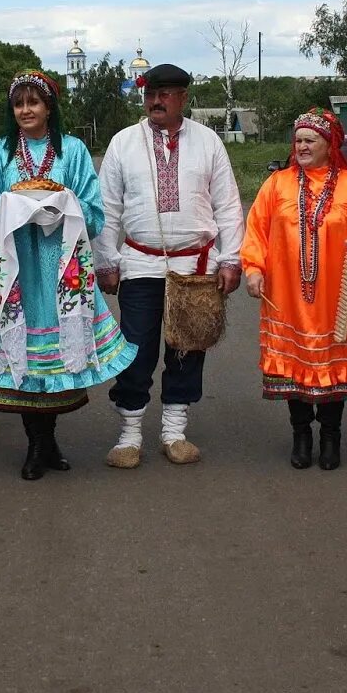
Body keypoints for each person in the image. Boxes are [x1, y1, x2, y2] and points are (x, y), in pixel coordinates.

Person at [0, 70, 137, 479]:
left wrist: (63, 205)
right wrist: (13, 205)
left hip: (60, 269)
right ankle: (37, 444)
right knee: (26, 360)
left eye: (34, 102)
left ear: (49, 107)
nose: (26, 110)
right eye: (19, 103)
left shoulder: (73, 151)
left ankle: (46, 442)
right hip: (17, 270)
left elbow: (95, 213)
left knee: (55, 363)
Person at [94, 62, 244, 469]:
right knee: (135, 349)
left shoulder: (208, 141)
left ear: (183, 98)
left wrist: (230, 258)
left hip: (195, 268)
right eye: (149, 94)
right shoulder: (124, 143)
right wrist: (107, 260)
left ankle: (174, 432)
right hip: (140, 262)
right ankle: (129, 435)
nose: (155, 101)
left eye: (164, 94)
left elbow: (227, 203)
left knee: (186, 349)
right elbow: (107, 207)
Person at [241, 109, 347, 470]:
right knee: (294, 367)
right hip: (287, 296)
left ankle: (331, 437)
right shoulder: (277, 184)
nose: (302, 146)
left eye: (310, 140)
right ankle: (301, 435)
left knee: (332, 368)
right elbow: (256, 230)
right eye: (299, 140)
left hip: (337, 297)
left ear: (330, 144)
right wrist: (254, 269)